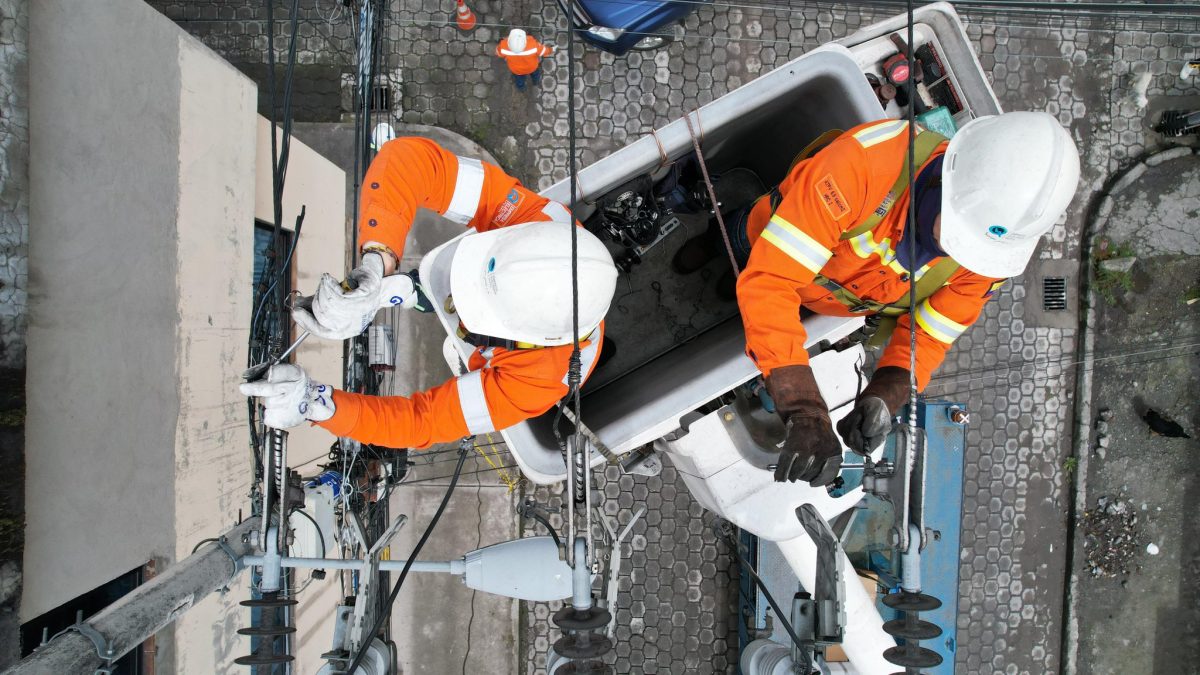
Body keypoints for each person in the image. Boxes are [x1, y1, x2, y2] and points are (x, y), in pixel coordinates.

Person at [672, 112, 1081, 486]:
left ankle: (728, 285)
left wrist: (889, 390)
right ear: (948, 184)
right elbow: (771, 281)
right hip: (765, 240)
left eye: (972, 250)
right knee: (738, 244)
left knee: (752, 299)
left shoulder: (990, 253)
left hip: (818, 297)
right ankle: (711, 245)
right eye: (956, 237)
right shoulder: (864, 166)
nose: (959, 257)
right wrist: (802, 405)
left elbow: (931, 336)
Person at [241, 137, 618, 449]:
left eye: (474, 312)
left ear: (521, 342)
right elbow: (408, 162)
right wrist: (377, 265)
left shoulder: (536, 384)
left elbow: (422, 422)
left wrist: (318, 404)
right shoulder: (537, 224)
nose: (458, 302)